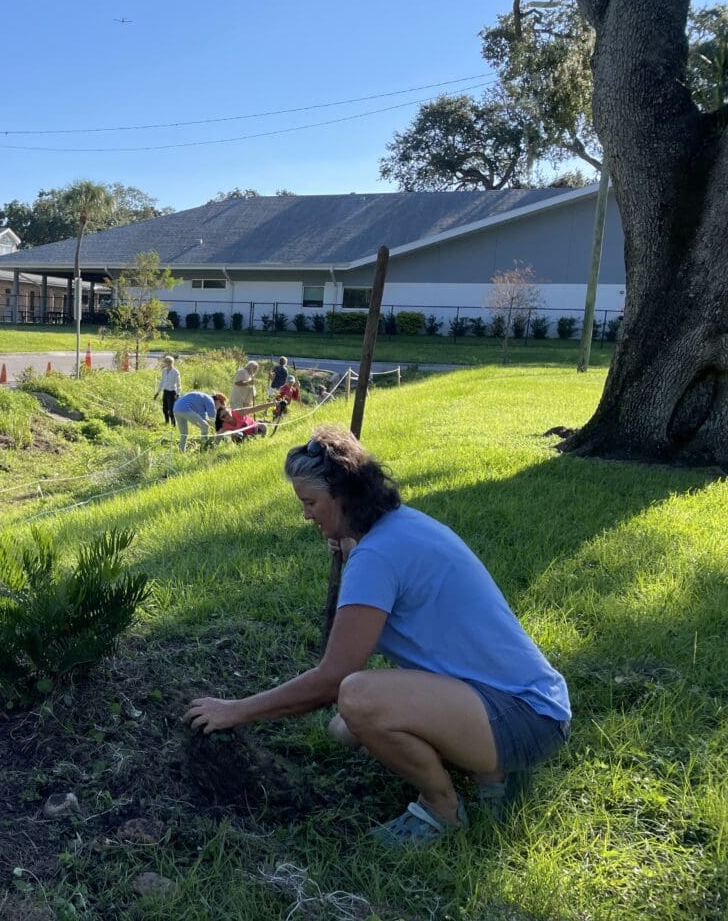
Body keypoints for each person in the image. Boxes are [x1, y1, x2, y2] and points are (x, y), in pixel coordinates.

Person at [184, 427, 571, 846]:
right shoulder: (400, 528)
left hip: (527, 716)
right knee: (345, 727)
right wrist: (351, 547)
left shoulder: (377, 557)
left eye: (310, 503)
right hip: (523, 702)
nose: (306, 516)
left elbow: (332, 680)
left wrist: (236, 710)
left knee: (357, 697)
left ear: (343, 496)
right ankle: (489, 771)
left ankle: (442, 808)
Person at [154, 355, 181, 427]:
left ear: (172, 362)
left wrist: (178, 394)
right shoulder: (164, 371)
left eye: (169, 362)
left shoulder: (175, 372)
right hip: (165, 392)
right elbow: (162, 382)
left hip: (172, 393)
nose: (168, 363)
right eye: (166, 362)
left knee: (171, 411)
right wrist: (157, 392)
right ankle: (166, 422)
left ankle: (173, 425)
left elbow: (178, 384)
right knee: (164, 409)